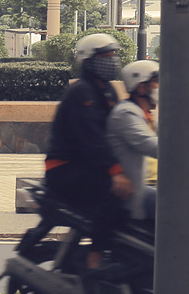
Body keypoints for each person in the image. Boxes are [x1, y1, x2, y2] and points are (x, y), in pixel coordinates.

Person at [44, 33, 130, 238]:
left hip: (85, 164)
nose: (112, 60)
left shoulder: (108, 90)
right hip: (64, 167)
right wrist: (115, 170)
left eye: (113, 55)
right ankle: (96, 255)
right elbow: (92, 138)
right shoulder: (82, 92)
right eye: (105, 56)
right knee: (112, 194)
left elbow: (115, 130)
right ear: (88, 61)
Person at [109, 59, 159, 223]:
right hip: (129, 192)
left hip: (144, 185)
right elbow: (152, 145)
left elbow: (172, 137)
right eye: (155, 82)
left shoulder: (144, 114)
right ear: (141, 86)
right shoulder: (127, 113)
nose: (159, 87)